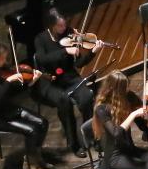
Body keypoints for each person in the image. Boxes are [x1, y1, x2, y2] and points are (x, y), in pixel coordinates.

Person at [0, 41, 52, 169]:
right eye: (2, 58)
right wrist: (9, 81)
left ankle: (35, 157)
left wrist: (31, 82)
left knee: (43, 122)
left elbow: (13, 92)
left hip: (9, 109)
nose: (5, 61)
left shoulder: (2, 70)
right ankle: (31, 164)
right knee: (31, 130)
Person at [34, 8, 100, 156]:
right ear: (51, 26)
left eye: (64, 25)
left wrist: (92, 53)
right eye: (60, 26)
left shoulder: (70, 34)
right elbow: (42, 59)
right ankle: (74, 144)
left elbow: (78, 64)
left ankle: (90, 135)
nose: (64, 29)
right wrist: (65, 51)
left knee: (87, 97)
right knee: (65, 102)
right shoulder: (41, 39)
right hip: (50, 81)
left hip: (70, 77)